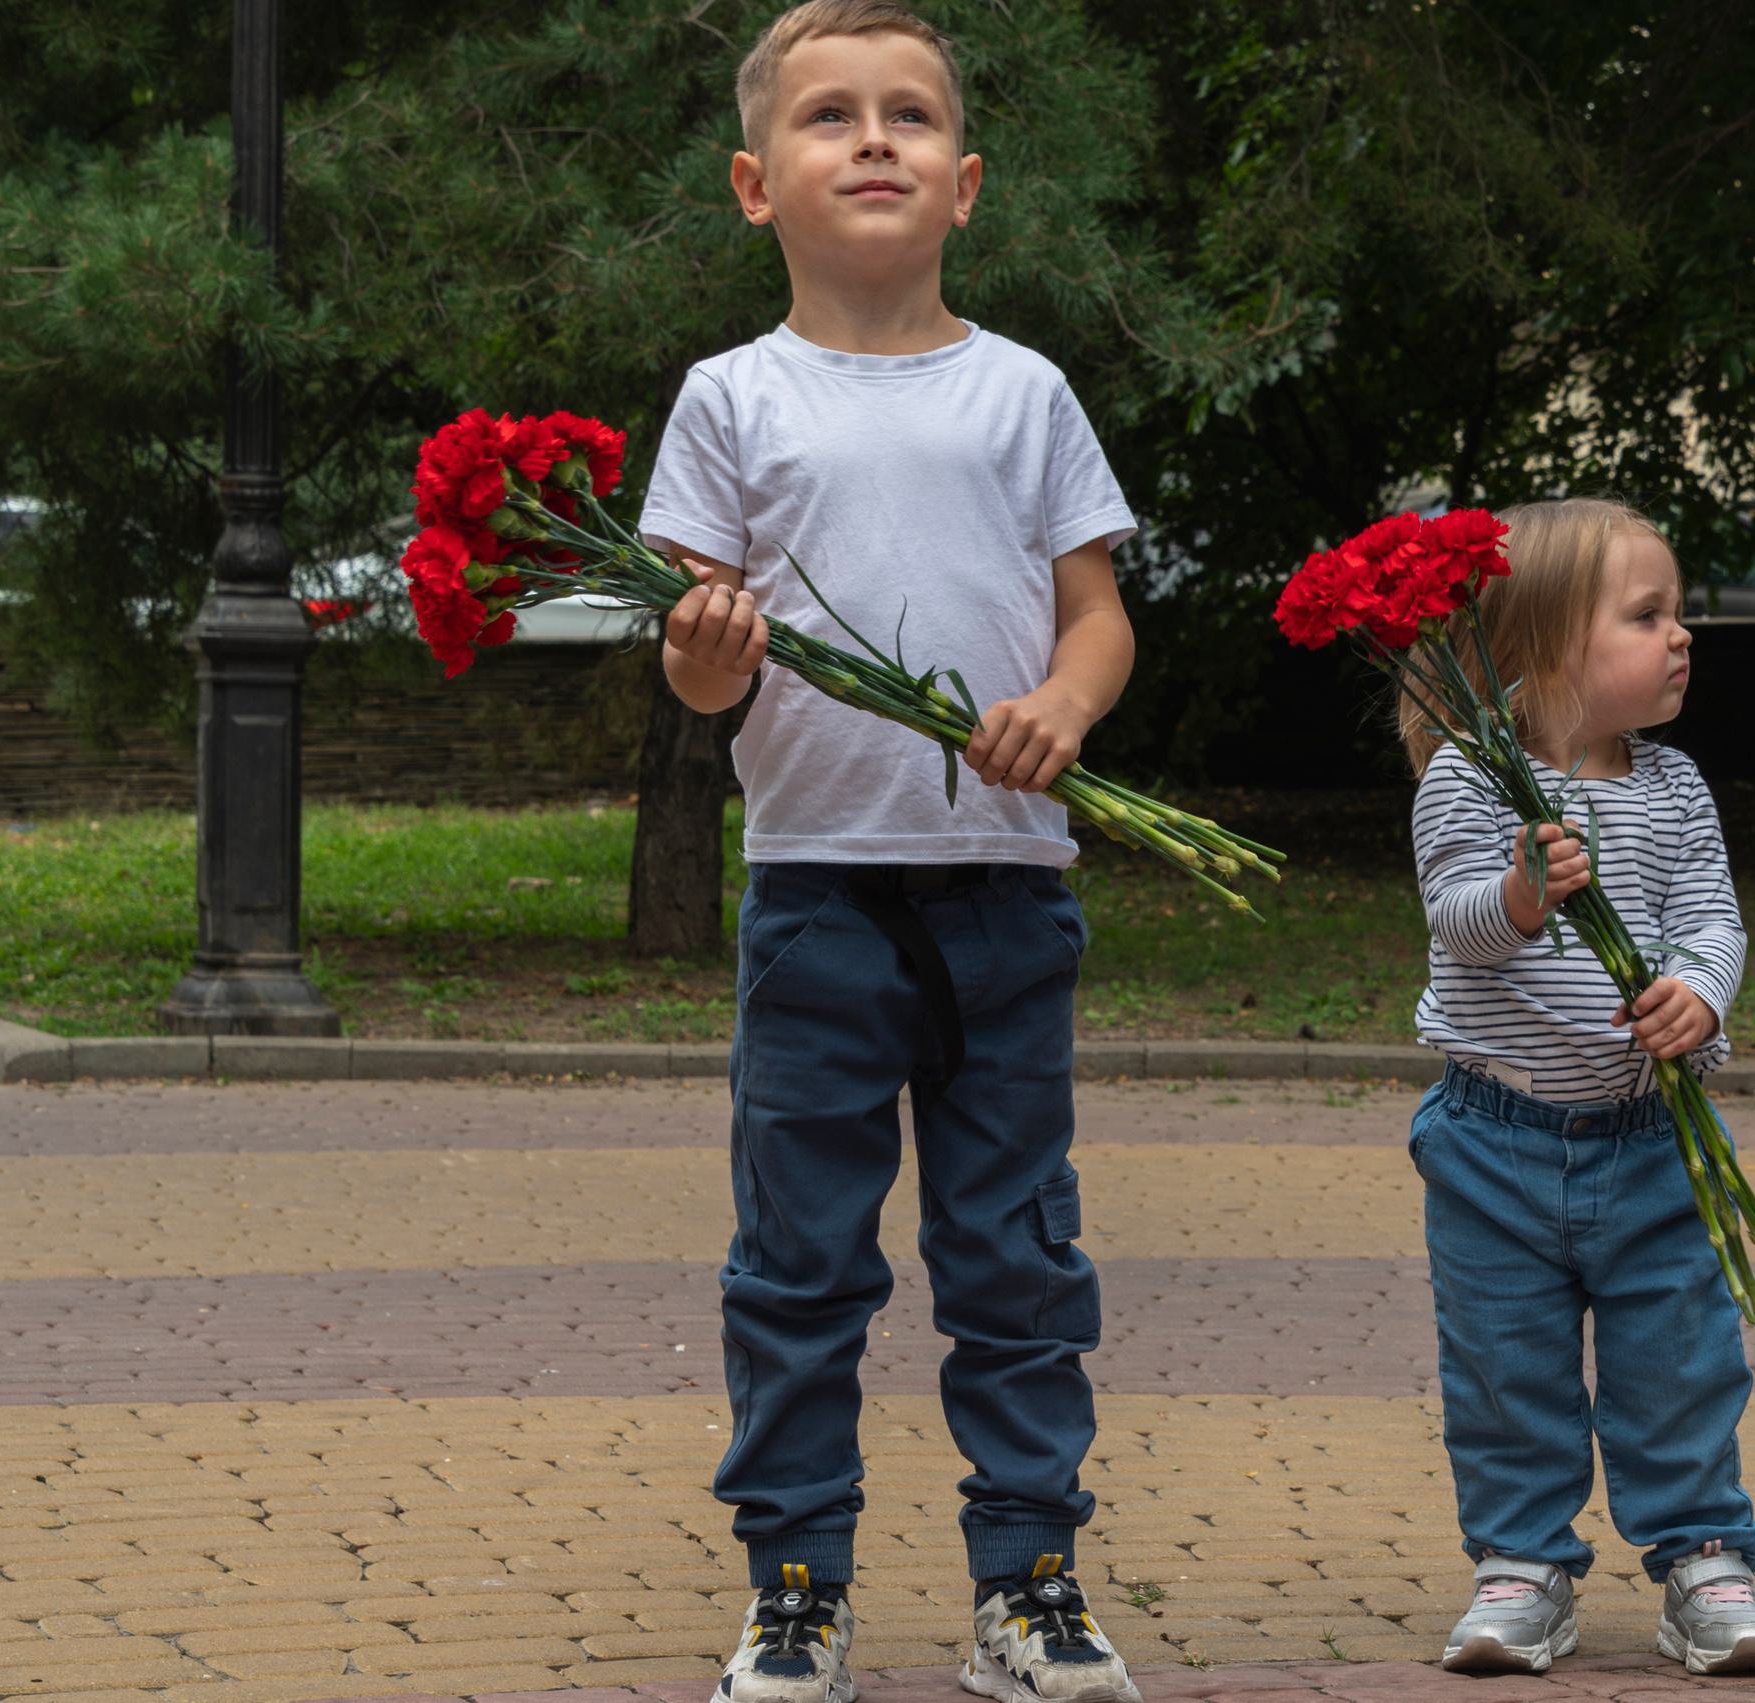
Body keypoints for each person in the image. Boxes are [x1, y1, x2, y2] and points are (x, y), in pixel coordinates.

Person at [637, 6, 1142, 1702]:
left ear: (966, 183)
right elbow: (697, 663)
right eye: (831, 116)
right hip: (816, 892)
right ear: (752, 184)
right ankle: (795, 1584)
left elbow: (1096, 615)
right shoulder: (731, 396)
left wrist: (1062, 710)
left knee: (1017, 1252)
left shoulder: (1023, 391)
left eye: (910, 117)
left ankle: (1034, 1581)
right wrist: (707, 648)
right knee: (799, 1256)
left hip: (1010, 887)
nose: (874, 140)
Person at [1401, 498, 1755, 1678]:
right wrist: (1523, 893)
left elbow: (1710, 919)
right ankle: (1519, 1565)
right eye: (1647, 614)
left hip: (1649, 1134)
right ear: (1541, 648)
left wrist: (1698, 994)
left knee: (1680, 1355)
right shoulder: (1469, 780)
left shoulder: (1674, 788)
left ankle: (1704, 1557)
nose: (1681, 634)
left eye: (1677, 613)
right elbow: (1459, 925)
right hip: (1492, 1138)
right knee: (1503, 1364)